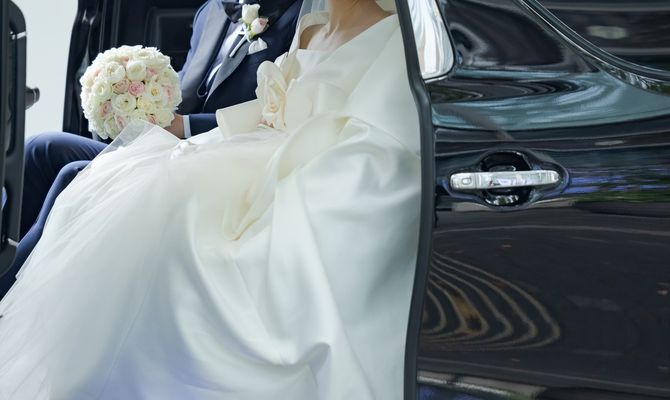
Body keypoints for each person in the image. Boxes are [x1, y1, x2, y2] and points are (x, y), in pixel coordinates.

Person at [0, 0, 420, 398]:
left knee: (167, 215)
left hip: (301, 175)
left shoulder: (395, 43)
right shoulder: (311, 28)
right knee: (115, 185)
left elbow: (375, 149)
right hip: (249, 150)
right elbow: (268, 107)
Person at [0, 0, 303, 297]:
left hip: (225, 159)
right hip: (162, 145)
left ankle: (6, 291)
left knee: (75, 174)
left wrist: (186, 126)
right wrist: (132, 102)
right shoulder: (211, 11)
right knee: (41, 148)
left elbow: (282, 113)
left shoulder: (298, 16)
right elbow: (182, 87)